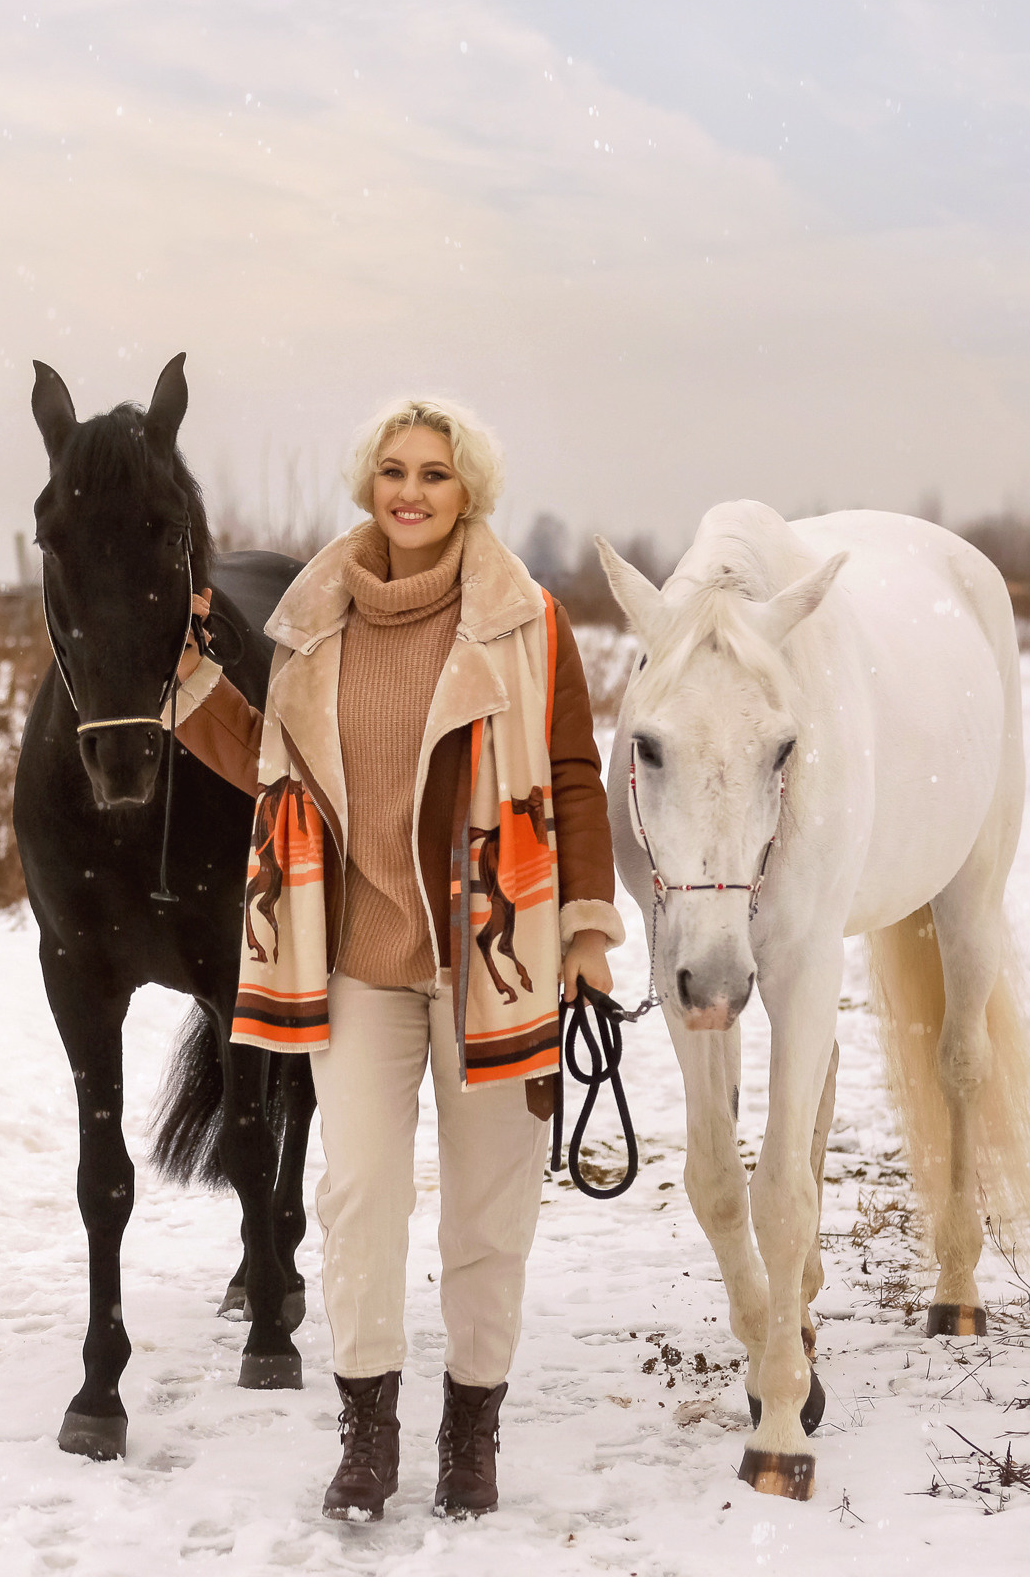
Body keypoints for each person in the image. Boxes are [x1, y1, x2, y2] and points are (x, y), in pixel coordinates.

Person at [168, 396, 624, 1522]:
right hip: (360, 963)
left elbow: (571, 774)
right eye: (392, 470)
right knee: (359, 1196)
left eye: (434, 472)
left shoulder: (528, 621)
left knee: (487, 1210)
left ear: (470, 490)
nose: (409, 491)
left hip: (494, 962)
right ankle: (367, 1430)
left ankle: (474, 1429)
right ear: (367, 483)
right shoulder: (316, 620)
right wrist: (180, 677)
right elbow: (272, 764)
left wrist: (587, 931)